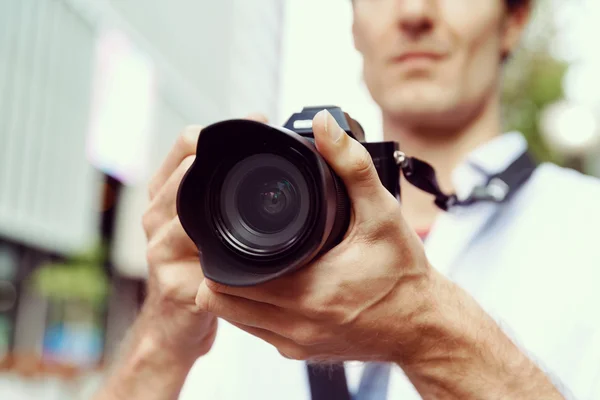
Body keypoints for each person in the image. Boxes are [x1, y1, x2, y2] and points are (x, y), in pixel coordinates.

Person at [94, 0, 600, 399]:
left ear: (513, 20)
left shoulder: (587, 225)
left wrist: (427, 332)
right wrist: (163, 337)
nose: (414, 12)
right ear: (355, 26)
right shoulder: (233, 244)